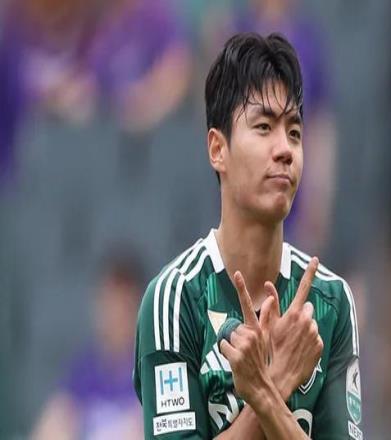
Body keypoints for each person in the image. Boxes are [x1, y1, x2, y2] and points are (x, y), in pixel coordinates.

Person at [133, 33, 362, 439]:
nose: (285, 149)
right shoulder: (175, 299)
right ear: (217, 150)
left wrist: (264, 391)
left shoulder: (331, 304)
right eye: (264, 127)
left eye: (294, 132)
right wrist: (276, 382)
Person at [32, 245, 145, 439]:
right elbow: (49, 427)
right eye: (107, 304)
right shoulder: (86, 368)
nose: (113, 317)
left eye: (121, 306)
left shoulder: (150, 368)